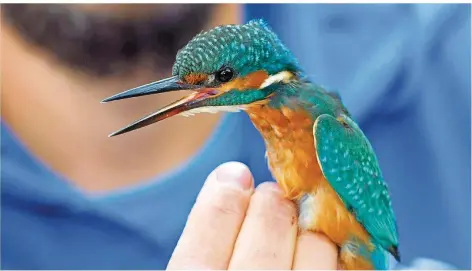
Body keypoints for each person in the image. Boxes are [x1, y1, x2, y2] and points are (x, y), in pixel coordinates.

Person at [1, 3, 466, 270]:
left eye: (219, 77)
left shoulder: (331, 123)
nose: (195, 94)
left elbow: (375, 243)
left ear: (267, 76)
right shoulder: (272, 123)